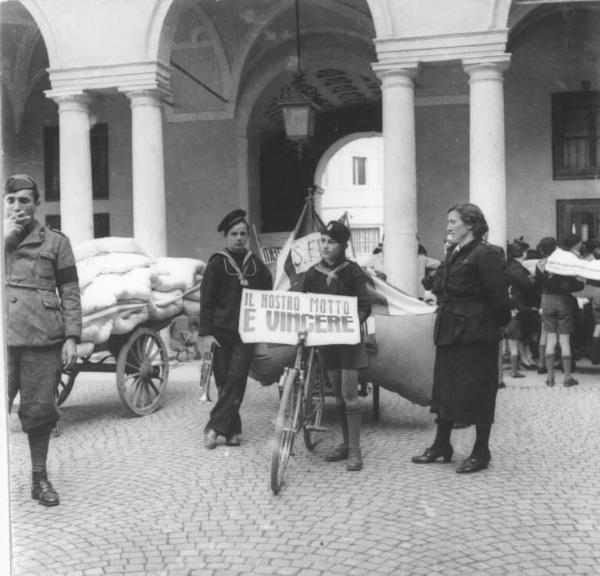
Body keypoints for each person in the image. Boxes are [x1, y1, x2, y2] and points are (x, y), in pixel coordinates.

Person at [411, 203, 510, 474]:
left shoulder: (488, 253)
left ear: (471, 224)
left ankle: (481, 452)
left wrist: (498, 326)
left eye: (453, 222)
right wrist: (445, 258)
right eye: (448, 222)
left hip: (477, 334)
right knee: (445, 387)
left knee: (478, 390)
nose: (448, 227)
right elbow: (438, 286)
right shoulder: (455, 253)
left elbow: (499, 297)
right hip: (450, 330)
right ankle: (442, 444)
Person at [4, 174, 82, 506]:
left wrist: (72, 337)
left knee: (39, 412)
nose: (18, 206)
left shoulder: (56, 242)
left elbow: (70, 292)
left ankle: (39, 479)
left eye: (24, 200)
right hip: (5, 337)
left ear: (37, 204)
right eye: (11, 200)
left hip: (42, 338)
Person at [199, 209, 272, 449]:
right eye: (234, 234)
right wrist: (206, 334)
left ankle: (214, 429)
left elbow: (268, 296)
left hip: (246, 334)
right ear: (226, 237)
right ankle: (232, 431)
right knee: (223, 382)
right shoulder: (217, 263)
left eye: (243, 234)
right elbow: (206, 302)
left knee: (237, 378)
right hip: (220, 334)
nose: (239, 238)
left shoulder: (257, 266)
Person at [301, 221, 371, 471]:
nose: (326, 246)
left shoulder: (352, 272)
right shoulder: (312, 273)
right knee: (338, 395)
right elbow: (304, 305)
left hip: (349, 343)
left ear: (343, 245)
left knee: (350, 394)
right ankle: (344, 443)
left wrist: (350, 323)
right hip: (326, 343)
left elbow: (365, 305)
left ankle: (355, 451)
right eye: (323, 241)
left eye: (331, 242)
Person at [534, 236, 584, 387]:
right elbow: (575, 284)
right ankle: (567, 377)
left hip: (546, 300)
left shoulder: (540, 264)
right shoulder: (562, 262)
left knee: (550, 338)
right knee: (564, 340)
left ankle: (550, 378)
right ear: (555, 247)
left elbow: (537, 284)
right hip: (563, 301)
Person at [505, 238, 540, 377]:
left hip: (519, 303)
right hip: (520, 304)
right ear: (523, 253)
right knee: (521, 333)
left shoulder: (512, 266)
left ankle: (526, 358)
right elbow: (527, 286)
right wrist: (534, 282)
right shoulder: (517, 268)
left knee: (522, 333)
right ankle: (524, 360)